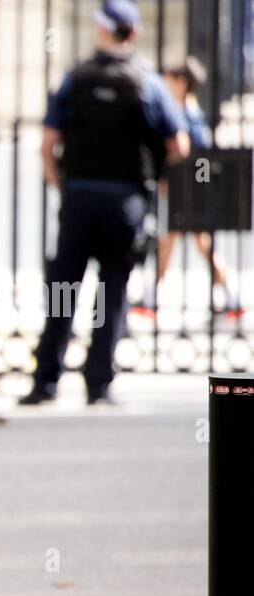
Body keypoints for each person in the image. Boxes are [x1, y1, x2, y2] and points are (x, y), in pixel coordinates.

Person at [20, 1, 189, 406]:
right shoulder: (147, 82)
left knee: (63, 288)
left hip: (79, 198)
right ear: (134, 33)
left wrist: (61, 184)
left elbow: (47, 143)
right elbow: (179, 145)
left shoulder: (77, 77)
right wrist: (158, 182)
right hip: (125, 202)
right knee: (113, 291)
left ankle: (46, 380)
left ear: (101, 30)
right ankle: (99, 382)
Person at [138, 56, 236, 316]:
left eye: (169, 79)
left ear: (182, 82)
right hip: (188, 190)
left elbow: (201, 157)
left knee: (181, 241)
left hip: (188, 192)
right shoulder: (188, 111)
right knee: (181, 242)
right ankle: (151, 298)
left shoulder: (188, 115)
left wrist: (195, 188)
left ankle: (150, 299)